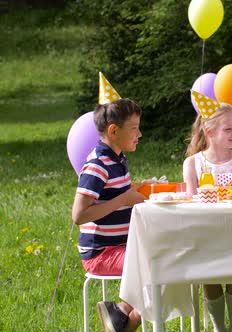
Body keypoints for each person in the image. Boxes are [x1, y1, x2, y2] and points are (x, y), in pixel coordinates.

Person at [72, 98, 145, 332]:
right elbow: (79, 215)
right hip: (101, 253)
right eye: (134, 128)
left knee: (164, 260)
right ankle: (123, 314)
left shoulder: (118, 159)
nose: (140, 133)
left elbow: (116, 195)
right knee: (158, 265)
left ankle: (120, 314)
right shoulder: (97, 165)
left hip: (120, 246)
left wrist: (137, 190)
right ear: (114, 130)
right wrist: (124, 199)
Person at [182, 98, 232, 332]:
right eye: (228, 128)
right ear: (209, 131)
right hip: (205, 233)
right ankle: (220, 327)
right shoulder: (193, 164)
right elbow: (191, 204)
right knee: (208, 267)